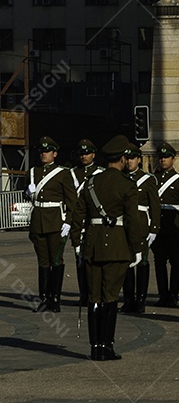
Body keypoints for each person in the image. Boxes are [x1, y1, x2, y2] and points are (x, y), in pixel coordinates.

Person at [70, 135, 148, 361]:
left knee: (94, 297)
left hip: (92, 246)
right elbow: (133, 221)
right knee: (111, 296)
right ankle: (107, 345)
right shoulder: (127, 185)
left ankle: (95, 347)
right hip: (117, 246)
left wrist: (77, 242)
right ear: (123, 158)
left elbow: (78, 216)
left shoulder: (91, 183)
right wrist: (138, 247)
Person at [26, 135, 76, 313]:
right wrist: (27, 191)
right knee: (43, 261)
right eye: (41, 151)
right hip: (38, 220)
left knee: (56, 260)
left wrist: (68, 221)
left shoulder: (63, 173)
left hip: (56, 221)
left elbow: (72, 200)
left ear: (55, 153)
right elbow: (31, 196)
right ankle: (44, 298)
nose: (43, 154)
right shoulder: (33, 172)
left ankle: (55, 298)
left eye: (47, 151)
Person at [120, 145, 160, 315]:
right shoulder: (121, 179)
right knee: (127, 263)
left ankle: (141, 300)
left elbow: (154, 206)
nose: (129, 162)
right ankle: (128, 299)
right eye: (127, 159)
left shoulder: (147, 180)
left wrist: (154, 228)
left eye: (133, 158)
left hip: (142, 226)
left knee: (142, 262)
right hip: (125, 224)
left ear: (139, 160)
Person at [152, 142, 179, 308]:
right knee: (159, 261)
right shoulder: (153, 179)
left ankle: (173, 294)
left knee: (175, 261)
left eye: (166, 157)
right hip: (157, 226)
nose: (163, 160)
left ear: (173, 159)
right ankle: (163, 294)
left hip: (173, 226)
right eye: (160, 157)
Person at [71, 139, 104, 307]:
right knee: (80, 261)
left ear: (93, 154)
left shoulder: (100, 173)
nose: (83, 156)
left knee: (94, 260)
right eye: (81, 154)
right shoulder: (72, 173)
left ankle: (94, 293)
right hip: (78, 221)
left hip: (93, 221)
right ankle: (84, 294)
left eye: (87, 153)